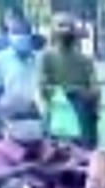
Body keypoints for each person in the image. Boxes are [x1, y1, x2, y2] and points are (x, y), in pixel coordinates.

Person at [38, 12, 98, 149]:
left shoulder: (85, 60)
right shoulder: (46, 57)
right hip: (56, 117)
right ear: (53, 30)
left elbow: (95, 91)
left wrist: (81, 94)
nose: (66, 30)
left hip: (82, 118)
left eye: (70, 26)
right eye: (61, 25)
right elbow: (43, 87)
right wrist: (66, 91)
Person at [0, 16, 39, 104]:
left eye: (24, 32)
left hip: (38, 112)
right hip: (11, 112)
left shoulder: (40, 58)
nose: (20, 36)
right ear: (8, 35)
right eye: (15, 32)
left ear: (30, 35)